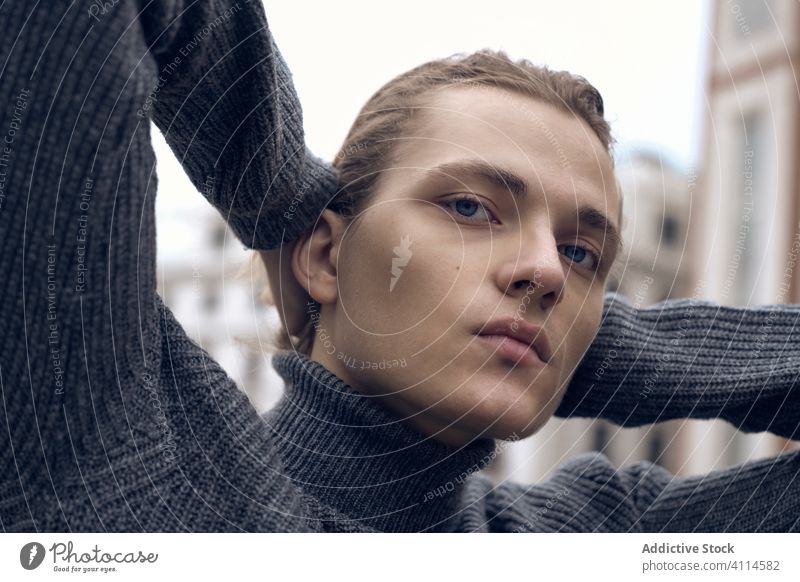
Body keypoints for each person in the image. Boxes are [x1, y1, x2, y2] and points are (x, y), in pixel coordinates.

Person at [0, 0, 796, 533]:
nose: (547, 272)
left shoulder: (602, 541)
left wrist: (592, 348)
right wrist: (277, 200)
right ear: (324, 253)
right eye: (470, 207)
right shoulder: (124, 456)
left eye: (582, 253)